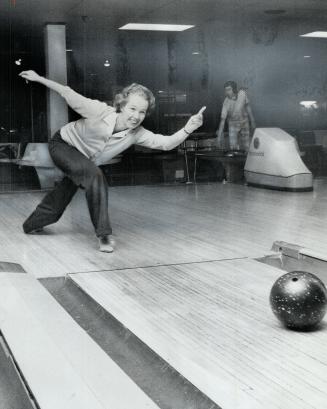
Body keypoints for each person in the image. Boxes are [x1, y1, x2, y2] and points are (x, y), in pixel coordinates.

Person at [19, 70, 205, 253]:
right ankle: (104, 234)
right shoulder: (99, 111)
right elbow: (67, 92)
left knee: (66, 190)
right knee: (94, 175)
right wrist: (38, 78)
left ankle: (32, 224)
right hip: (63, 145)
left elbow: (166, 144)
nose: (136, 116)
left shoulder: (137, 134)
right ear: (122, 105)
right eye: (132, 109)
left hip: (85, 161)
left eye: (142, 112)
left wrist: (188, 129)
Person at [216, 81, 255, 152]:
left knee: (247, 146)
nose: (227, 92)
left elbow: (248, 107)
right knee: (233, 148)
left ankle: (247, 160)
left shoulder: (242, 94)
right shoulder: (226, 103)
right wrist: (218, 138)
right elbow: (222, 121)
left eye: (229, 89)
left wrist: (252, 121)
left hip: (244, 122)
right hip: (232, 124)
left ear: (234, 89)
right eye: (226, 90)